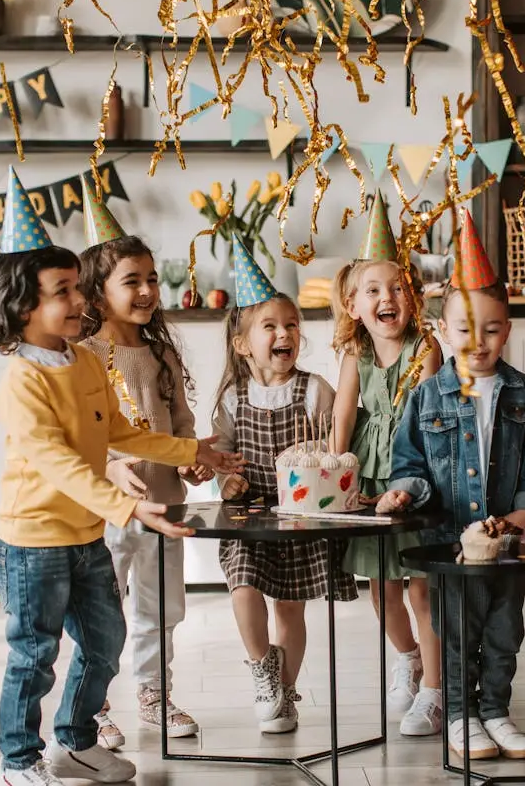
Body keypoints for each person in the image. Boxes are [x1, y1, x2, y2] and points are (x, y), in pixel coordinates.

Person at [0, 167, 243, 786]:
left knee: (106, 639)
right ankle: (17, 760)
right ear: (22, 306)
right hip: (33, 541)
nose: (79, 301)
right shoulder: (24, 380)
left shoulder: (79, 362)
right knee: (35, 654)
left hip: (83, 536)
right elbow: (58, 461)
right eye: (64, 291)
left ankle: (75, 741)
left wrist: (187, 450)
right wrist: (129, 508)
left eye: (77, 288)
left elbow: (118, 430)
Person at [376, 208, 525, 762]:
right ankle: (459, 715)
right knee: (454, 630)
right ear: (441, 331)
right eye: (464, 329)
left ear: (508, 328)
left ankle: (495, 709)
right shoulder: (427, 396)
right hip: (451, 544)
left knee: (505, 628)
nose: (478, 340)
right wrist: (405, 491)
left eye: (492, 328)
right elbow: (410, 461)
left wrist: (519, 521)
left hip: (505, 547)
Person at [75, 202, 210, 749]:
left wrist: (193, 459)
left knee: (161, 608)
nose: (148, 290)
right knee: (101, 613)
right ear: (96, 291)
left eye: (152, 278)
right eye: (132, 281)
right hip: (103, 512)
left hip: (165, 508)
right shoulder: (82, 356)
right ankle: (94, 706)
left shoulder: (161, 357)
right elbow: (78, 440)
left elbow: (181, 426)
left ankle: (155, 694)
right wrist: (108, 465)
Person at [213, 236, 358, 734]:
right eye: (270, 326)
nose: (284, 334)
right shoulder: (233, 397)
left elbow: (335, 447)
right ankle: (262, 672)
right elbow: (222, 457)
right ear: (242, 343)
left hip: (302, 512)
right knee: (243, 585)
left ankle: (286, 691)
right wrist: (227, 479)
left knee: (291, 606)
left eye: (291, 325)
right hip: (250, 514)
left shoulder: (315, 389)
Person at [329, 192, 444, 736]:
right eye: (373, 290)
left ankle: (435, 691)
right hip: (367, 483)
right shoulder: (356, 354)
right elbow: (343, 416)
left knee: (421, 586)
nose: (387, 297)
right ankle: (409, 657)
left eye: (398, 287)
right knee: (379, 586)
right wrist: (333, 472)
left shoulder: (427, 349)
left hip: (414, 479)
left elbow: (423, 421)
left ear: (413, 299)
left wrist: (408, 482)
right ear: (354, 305)